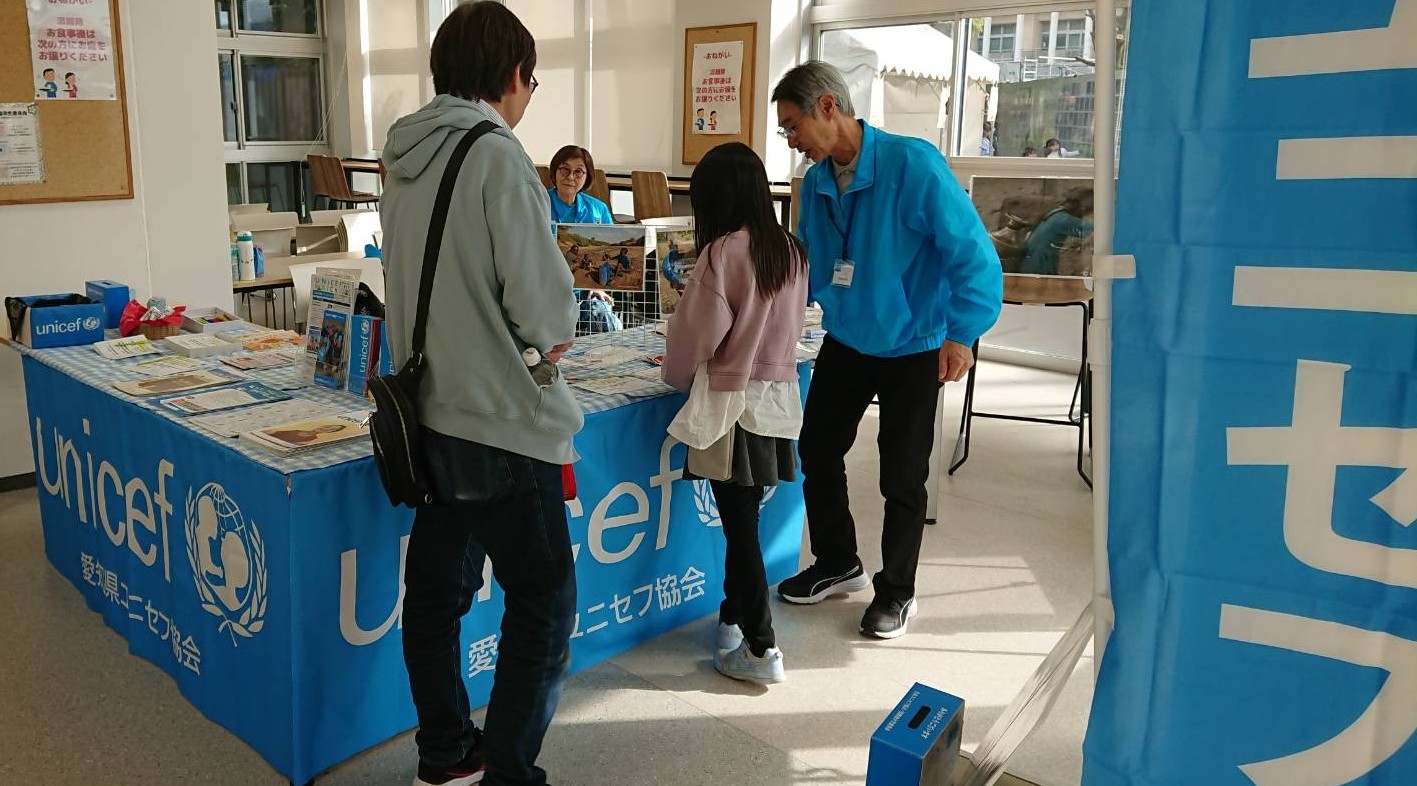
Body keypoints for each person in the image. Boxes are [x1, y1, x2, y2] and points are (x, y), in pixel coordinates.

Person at [379, 4, 580, 785]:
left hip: (429, 416)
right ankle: (508, 773)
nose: (529, 94)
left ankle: (444, 749)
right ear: (510, 77)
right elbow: (547, 309)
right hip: (504, 427)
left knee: (434, 600)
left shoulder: (402, 156)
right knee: (543, 606)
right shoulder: (497, 156)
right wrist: (550, 329)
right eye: (531, 79)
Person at [771, 61, 1002, 638]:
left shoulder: (912, 163)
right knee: (817, 450)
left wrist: (961, 333)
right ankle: (837, 561)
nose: (791, 140)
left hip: (913, 343)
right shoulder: (817, 182)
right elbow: (807, 260)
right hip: (848, 338)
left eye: (793, 125)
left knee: (902, 474)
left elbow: (973, 256)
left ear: (828, 106)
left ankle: (897, 591)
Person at [662, 142, 808, 684]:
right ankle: (731, 618)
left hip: (731, 408)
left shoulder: (723, 252)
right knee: (746, 519)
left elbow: (695, 335)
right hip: (775, 404)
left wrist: (674, 375)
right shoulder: (792, 249)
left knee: (740, 529)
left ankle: (762, 646)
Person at [1021, 187, 1094, 276]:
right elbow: (1097, 230)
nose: (1083, 214)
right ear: (1078, 206)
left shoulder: (1056, 213)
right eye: (1086, 210)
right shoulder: (1063, 220)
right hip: (1040, 265)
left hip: (1033, 262)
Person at [545, 144, 613, 225]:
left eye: (578, 171)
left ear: (587, 177)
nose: (570, 177)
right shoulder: (537, 203)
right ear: (554, 171)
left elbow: (611, 237)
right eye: (565, 169)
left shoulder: (599, 209)